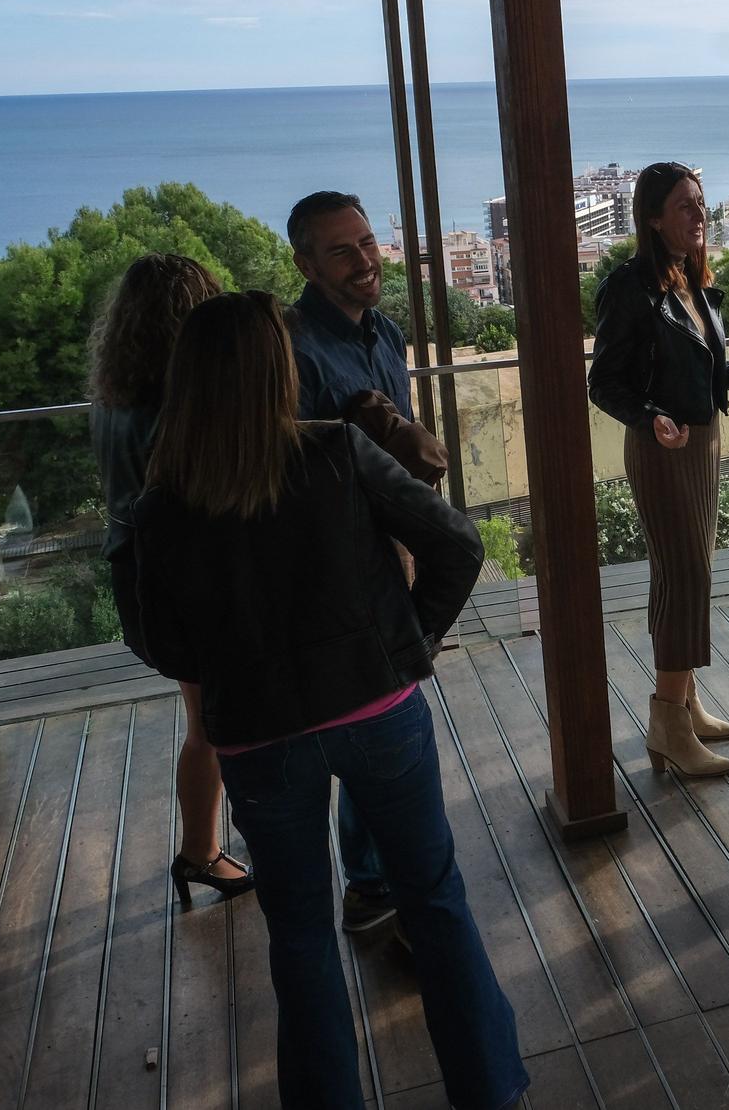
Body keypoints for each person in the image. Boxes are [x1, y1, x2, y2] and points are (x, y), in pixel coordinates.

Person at [133, 292, 525, 1109]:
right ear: (279, 372)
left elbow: (158, 639)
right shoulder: (334, 451)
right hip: (377, 713)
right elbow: (455, 542)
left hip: (257, 741)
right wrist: (402, 649)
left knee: (301, 935)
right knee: (436, 900)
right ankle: (491, 1093)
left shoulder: (163, 501)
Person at [589, 162, 729, 777]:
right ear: (653, 218)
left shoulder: (690, 279)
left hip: (700, 442)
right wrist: (651, 417)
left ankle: (682, 704)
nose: (699, 214)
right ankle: (668, 726)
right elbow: (603, 383)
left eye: (701, 203)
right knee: (683, 579)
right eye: (684, 206)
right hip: (663, 450)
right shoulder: (632, 287)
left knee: (691, 574)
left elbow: (702, 367)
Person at [89, 253, 254, 905]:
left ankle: (200, 850)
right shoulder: (175, 409)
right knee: (229, 724)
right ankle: (224, 847)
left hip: (136, 575)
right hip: (190, 583)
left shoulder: (112, 399)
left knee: (207, 724)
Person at [283, 190, 411, 934]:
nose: (365, 260)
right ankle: (368, 884)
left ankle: (378, 874)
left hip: (387, 553)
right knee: (363, 724)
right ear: (305, 263)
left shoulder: (385, 332)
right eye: (342, 250)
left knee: (386, 717)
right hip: (333, 568)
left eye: (367, 243)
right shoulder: (295, 349)